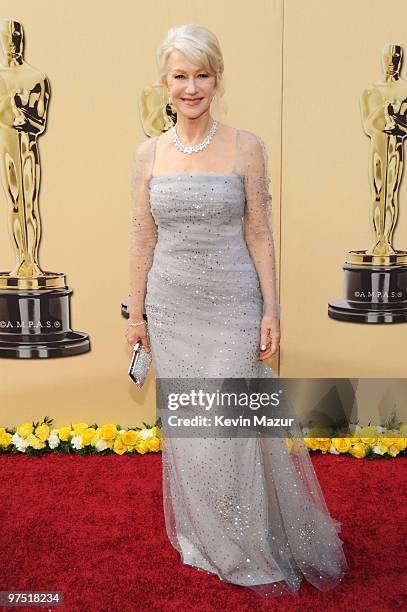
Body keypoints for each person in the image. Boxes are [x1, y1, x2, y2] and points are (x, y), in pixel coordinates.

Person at [125, 24, 347, 598]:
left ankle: (247, 539)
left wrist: (272, 310)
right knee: (193, 432)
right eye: (180, 75)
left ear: (217, 79)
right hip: (172, 308)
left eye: (202, 75)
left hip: (232, 306)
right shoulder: (149, 154)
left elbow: (259, 233)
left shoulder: (247, 146)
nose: (191, 86)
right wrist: (136, 318)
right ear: (164, 82)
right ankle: (208, 533)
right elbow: (141, 239)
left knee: (230, 430)